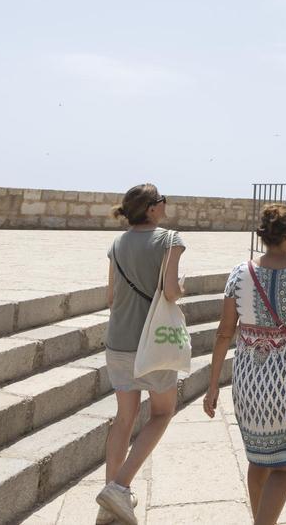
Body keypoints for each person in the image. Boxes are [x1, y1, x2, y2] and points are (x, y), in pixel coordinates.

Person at [202, 204, 286, 525]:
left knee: (257, 460)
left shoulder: (238, 273)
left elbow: (223, 334)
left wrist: (211, 386)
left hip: (247, 379)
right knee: (282, 466)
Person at [96, 184, 185, 525]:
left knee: (124, 418)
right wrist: (183, 289)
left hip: (118, 340)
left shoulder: (117, 244)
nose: (165, 205)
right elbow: (172, 291)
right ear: (151, 208)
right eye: (162, 200)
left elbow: (110, 297)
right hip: (153, 343)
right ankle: (118, 487)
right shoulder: (170, 240)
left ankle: (109, 504)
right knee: (162, 413)